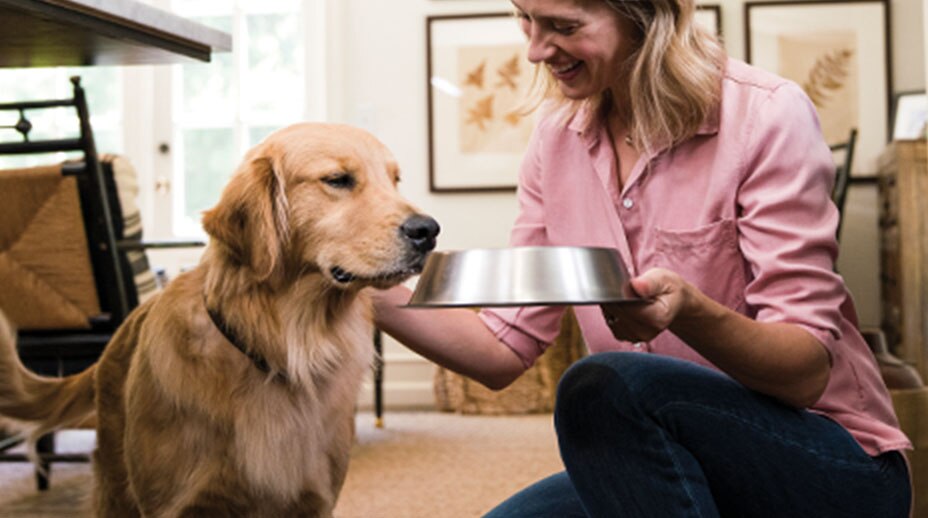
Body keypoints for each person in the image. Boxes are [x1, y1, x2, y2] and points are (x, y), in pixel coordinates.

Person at [373, 0, 913, 516]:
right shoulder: (554, 142)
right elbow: (499, 352)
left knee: (603, 384)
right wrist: (362, 289)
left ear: (646, 16)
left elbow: (802, 375)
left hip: (828, 464)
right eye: (525, 20)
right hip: (667, 455)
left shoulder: (766, 115)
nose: (537, 50)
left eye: (562, 25)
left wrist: (692, 313)